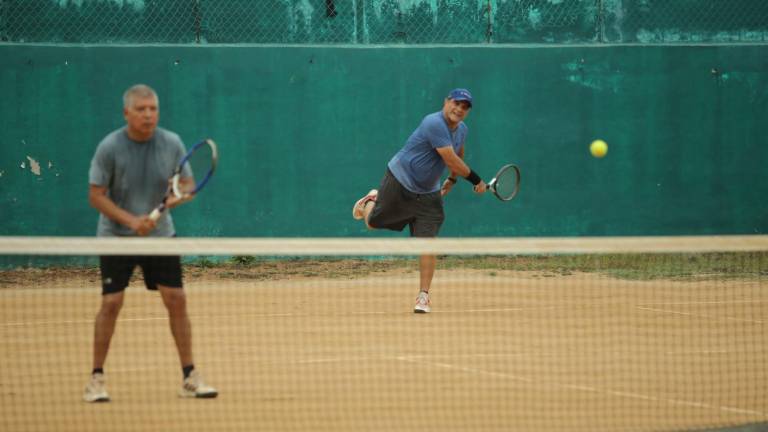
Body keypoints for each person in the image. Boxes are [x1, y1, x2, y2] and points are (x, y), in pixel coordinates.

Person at [83, 84, 217, 402]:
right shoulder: (110, 147)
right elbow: (95, 195)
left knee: (177, 298)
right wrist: (131, 221)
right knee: (111, 303)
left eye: (153, 109)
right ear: (126, 113)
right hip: (116, 237)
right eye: (141, 109)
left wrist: (175, 200)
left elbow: (187, 185)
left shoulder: (170, 143)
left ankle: (189, 376)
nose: (148, 115)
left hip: (160, 236)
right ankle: (96, 379)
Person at [352, 88, 486, 313]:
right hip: (400, 179)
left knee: (428, 243)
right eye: (456, 103)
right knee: (372, 222)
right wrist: (476, 180)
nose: (459, 109)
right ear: (446, 102)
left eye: (465, 107)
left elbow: (458, 153)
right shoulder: (433, 123)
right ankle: (370, 201)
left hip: (428, 193)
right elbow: (450, 158)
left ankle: (423, 296)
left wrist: (452, 181)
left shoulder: (462, 129)